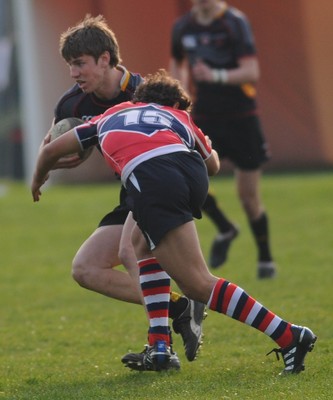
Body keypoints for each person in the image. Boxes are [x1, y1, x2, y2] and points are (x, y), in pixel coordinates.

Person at [31, 69, 316, 374]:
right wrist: (203, 144)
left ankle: (290, 336)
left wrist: (38, 180)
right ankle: (160, 347)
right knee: (140, 246)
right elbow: (214, 166)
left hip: (152, 177)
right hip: (189, 173)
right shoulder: (179, 118)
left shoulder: (108, 116)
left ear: (138, 100)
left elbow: (50, 150)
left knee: (197, 283)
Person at [41, 14, 206, 368]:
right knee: (85, 268)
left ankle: (161, 348)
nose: (74, 73)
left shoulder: (146, 93)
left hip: (162, 187)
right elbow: (56, 143)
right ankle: (179, 306)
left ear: (105, 59)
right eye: (70, 65)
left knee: (132, 252)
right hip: (130, 193)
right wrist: (57, 156)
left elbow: (189, 140)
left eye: (80, 64)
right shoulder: (71, 106)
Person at [169, 0, 276, 278]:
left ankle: (265, 259)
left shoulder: (234, 23)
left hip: (242, 117)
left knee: (248, 197)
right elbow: (177, 64)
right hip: (205, 116)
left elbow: (251, 71)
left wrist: (215, 75)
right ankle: (226, 228)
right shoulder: (183, 27)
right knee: (188, 180)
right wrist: (177, 95)